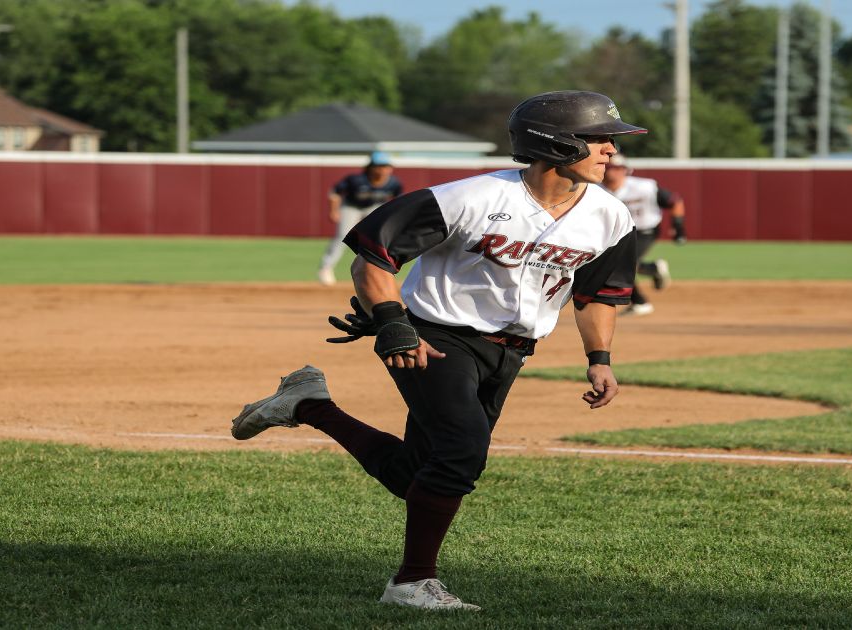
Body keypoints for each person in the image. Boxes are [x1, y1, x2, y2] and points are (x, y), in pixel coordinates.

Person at [230, 90, 642, 612]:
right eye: (600, 139)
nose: (612, 150)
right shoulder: (469, 198)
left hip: (512, 349)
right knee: (461, 452)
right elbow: (372, 255)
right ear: (557, 144)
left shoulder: (610, 217)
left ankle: (307, 404)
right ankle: (411, 582)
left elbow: (598, 296)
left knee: (418, 472)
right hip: (434, 336)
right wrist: (393, 324)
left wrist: (599, 359)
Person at [601, 153, 678, 316]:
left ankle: (640, 302)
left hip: (645, 230)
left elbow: (674, 201)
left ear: (625, 170)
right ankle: (652, 269)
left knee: (620, 265)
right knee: (612, 263)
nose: (611, 172)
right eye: (608, 168)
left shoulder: (643, 187)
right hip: (618, 233)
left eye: (616, 168)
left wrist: (678, 226)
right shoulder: (596, 189)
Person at [318, 151, 403, 286]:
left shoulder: (393, 183)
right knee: (342, 235)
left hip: (374, 206)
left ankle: (379, 271)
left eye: (386, 166)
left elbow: (397, 200)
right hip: (351, 206)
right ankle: (325, 268)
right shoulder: (356, 180)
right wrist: (333, 211)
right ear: (371, 167)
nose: (383, 169)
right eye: (379, 166)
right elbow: (334, 193)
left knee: (380, 238)